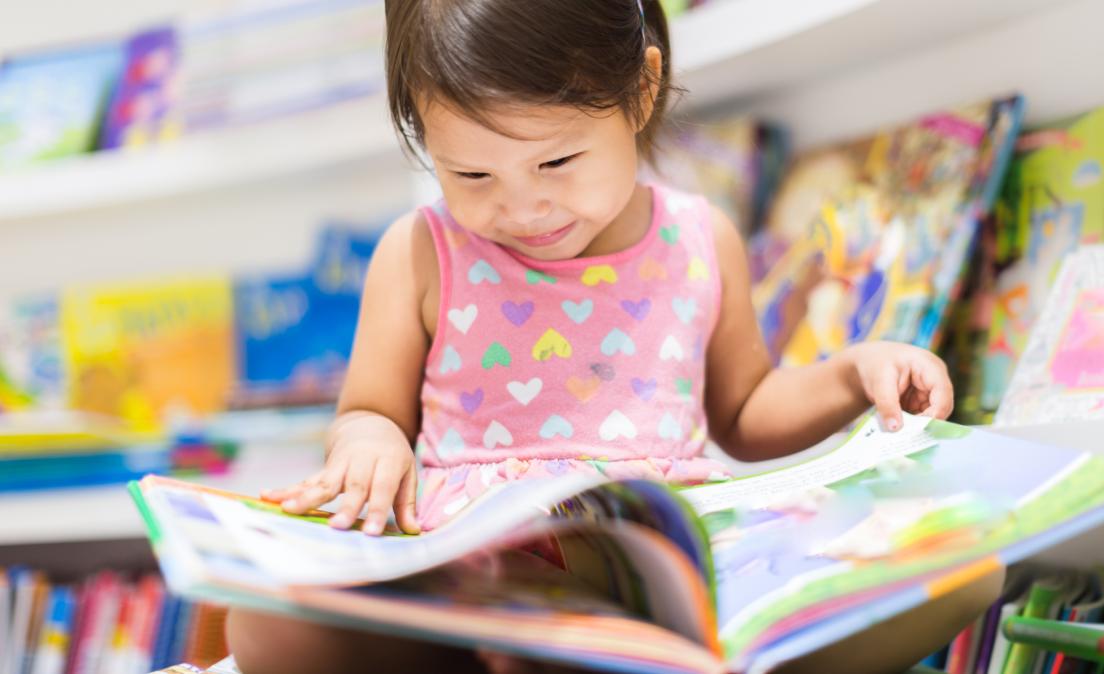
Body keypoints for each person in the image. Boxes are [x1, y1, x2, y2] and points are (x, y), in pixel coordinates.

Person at [227, 1, 997, 671]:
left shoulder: (700, 239)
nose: (524, 208)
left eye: (556, 161)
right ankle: (533, 652)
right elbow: (370, 413)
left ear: (641, 90)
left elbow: (747, 414)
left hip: (660, 563)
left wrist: (849, 374)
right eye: (471, 177)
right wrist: (370, 443)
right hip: (478, 565)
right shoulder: (421, 252)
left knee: (962, 570)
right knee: (265, 629)